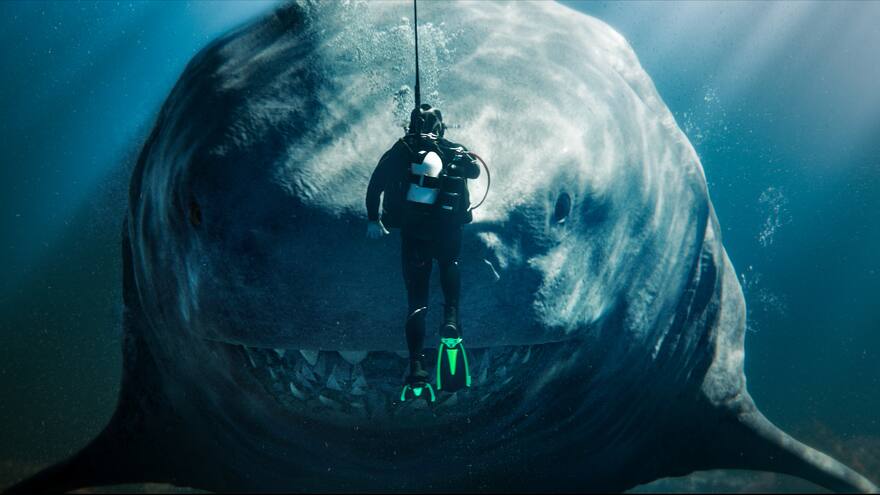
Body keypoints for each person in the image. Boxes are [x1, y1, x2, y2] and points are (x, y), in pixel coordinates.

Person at [365, 104, 480, 391]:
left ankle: (416, 367)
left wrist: (372, 219)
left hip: (415, 232)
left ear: (410, 126)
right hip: (448, 229)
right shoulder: (454, 149)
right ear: (442, 126)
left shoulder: (401, 150)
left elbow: (375, 185)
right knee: (450, 265)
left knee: (417, 300)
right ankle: (451, 318)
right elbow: (476, 172)